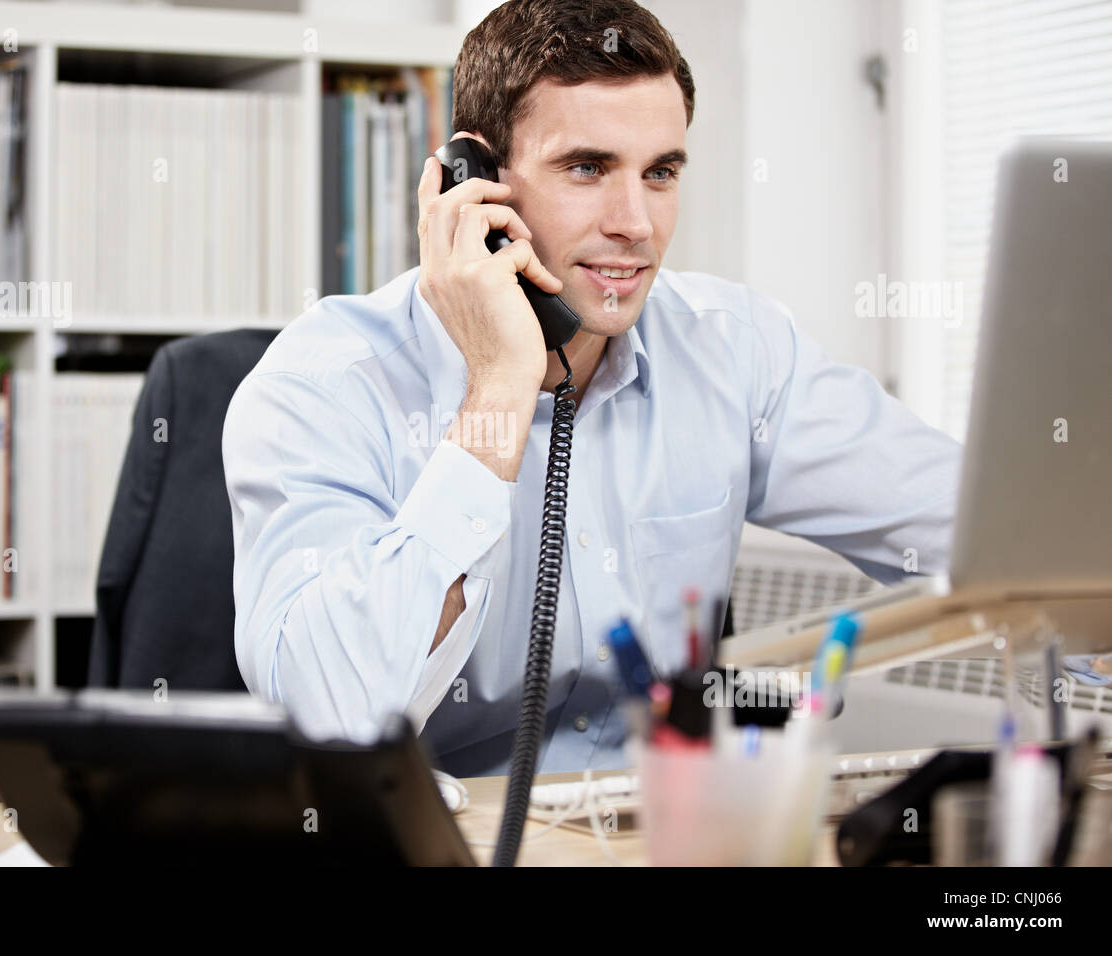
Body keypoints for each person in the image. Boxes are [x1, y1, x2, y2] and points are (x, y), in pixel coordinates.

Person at [222, 0, 961, 776]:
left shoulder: (731, 347)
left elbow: (977, 531)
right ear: (473, 183)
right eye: (587, 168)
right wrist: (501, 389)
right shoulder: (324, 384)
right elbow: (330, 719)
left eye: (661, 173)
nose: (636, 223)